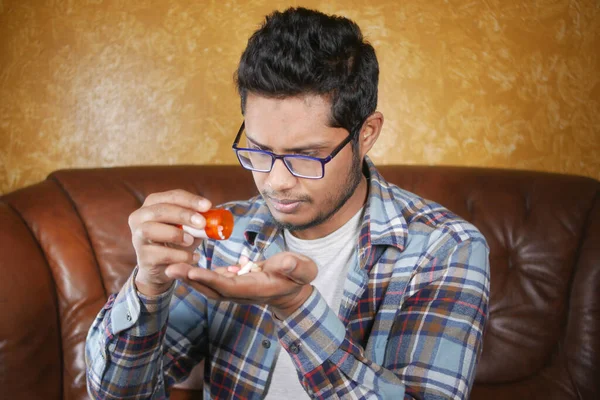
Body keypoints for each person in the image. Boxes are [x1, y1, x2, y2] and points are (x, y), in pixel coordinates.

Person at [86, 7, 490, 399]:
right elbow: (119, 394)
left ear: (366, 134)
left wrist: (295, 307)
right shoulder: (225, 236)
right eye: (259, 152)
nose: (276, 183)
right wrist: (148, 287)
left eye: (306, 156)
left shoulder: (445, 249)